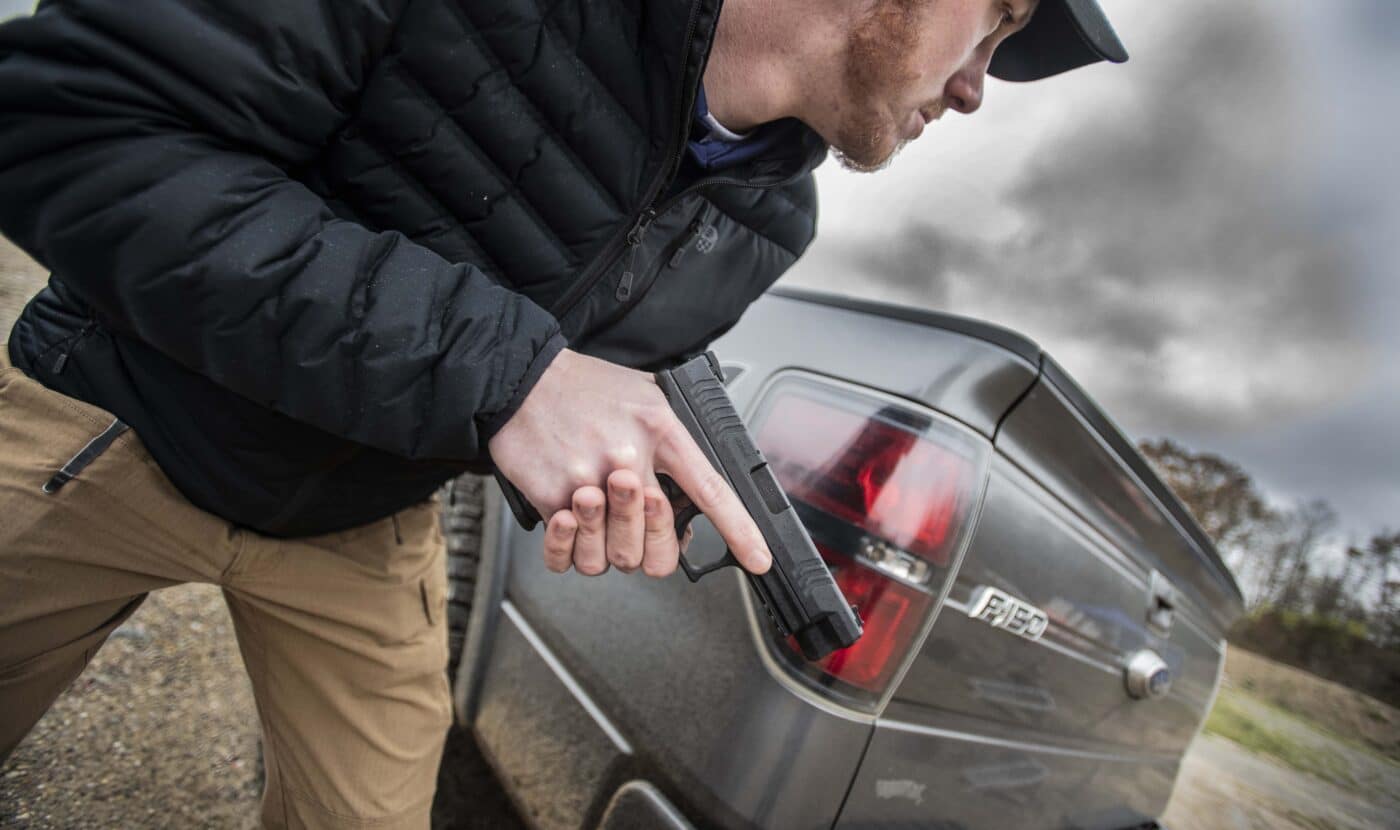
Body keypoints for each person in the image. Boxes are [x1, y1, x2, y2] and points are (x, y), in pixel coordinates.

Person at [0, 0, 1125, 826]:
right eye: (995, 22)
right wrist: (508, 375)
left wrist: (602, 470)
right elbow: (72, 126)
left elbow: (580, 390)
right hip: (120, 416)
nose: (979, 85)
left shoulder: (774, 221)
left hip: (356, 520)